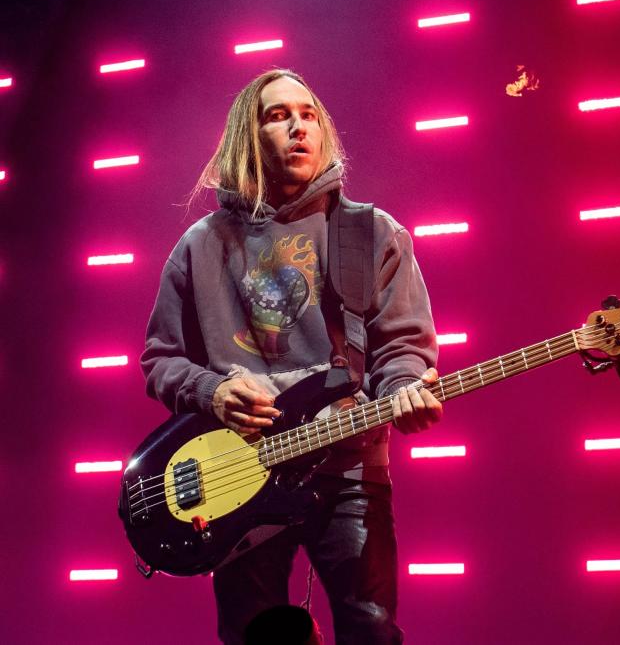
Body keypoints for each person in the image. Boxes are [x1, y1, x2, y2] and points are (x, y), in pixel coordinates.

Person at [140, 68, 443, 644]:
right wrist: (213, 392)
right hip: (238, 474)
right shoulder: (201, 246)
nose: (298, 126)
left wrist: (404, 386)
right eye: (278, 116)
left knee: (371, 631)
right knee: (252, 635)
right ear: (246, 139)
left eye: (308, 115)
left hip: (349, 470)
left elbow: (402, 346)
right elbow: (161, 359)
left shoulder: (371, 232)